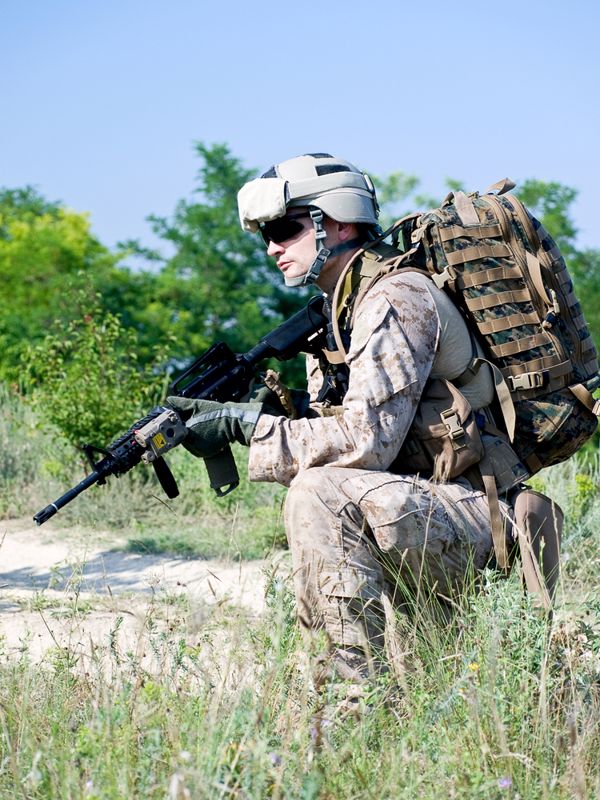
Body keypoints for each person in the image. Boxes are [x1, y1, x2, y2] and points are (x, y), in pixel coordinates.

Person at [167, 153, 509, 692]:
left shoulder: (393, 299)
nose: (273, 247)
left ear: (339, 221)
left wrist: (246, 427)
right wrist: (289, 415)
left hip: (486, 516)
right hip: (425, 505)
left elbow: (365, 444)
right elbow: (361, 431)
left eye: (285, 228)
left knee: (318, 492)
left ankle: (350, 700)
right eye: (266, 236)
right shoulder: (337, 313)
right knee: (320, 485)